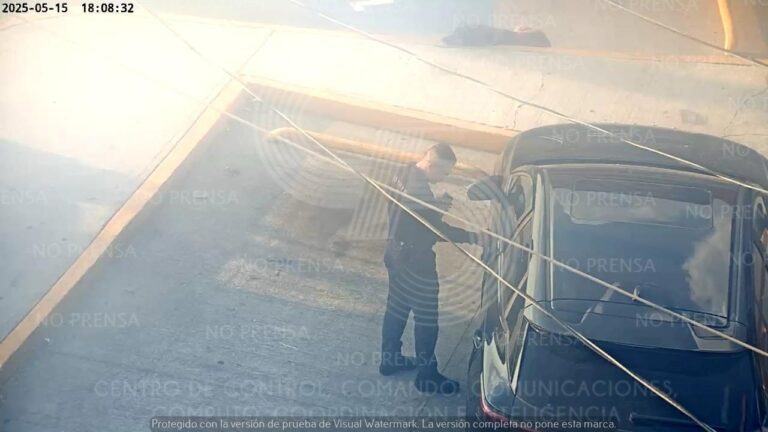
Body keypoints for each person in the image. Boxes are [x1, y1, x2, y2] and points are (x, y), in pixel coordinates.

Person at [379, 143, 479, 395]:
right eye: (443, 173)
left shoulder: (401, 172)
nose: (444, 178)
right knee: (427, 320)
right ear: (432, 165)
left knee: (397, 309)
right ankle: (427, 375)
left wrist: (434, 206)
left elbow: (413, 214)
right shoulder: (419, 191)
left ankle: (390, 359)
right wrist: (473, 236)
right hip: (417, 261)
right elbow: (434, 230)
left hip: (395, 252)